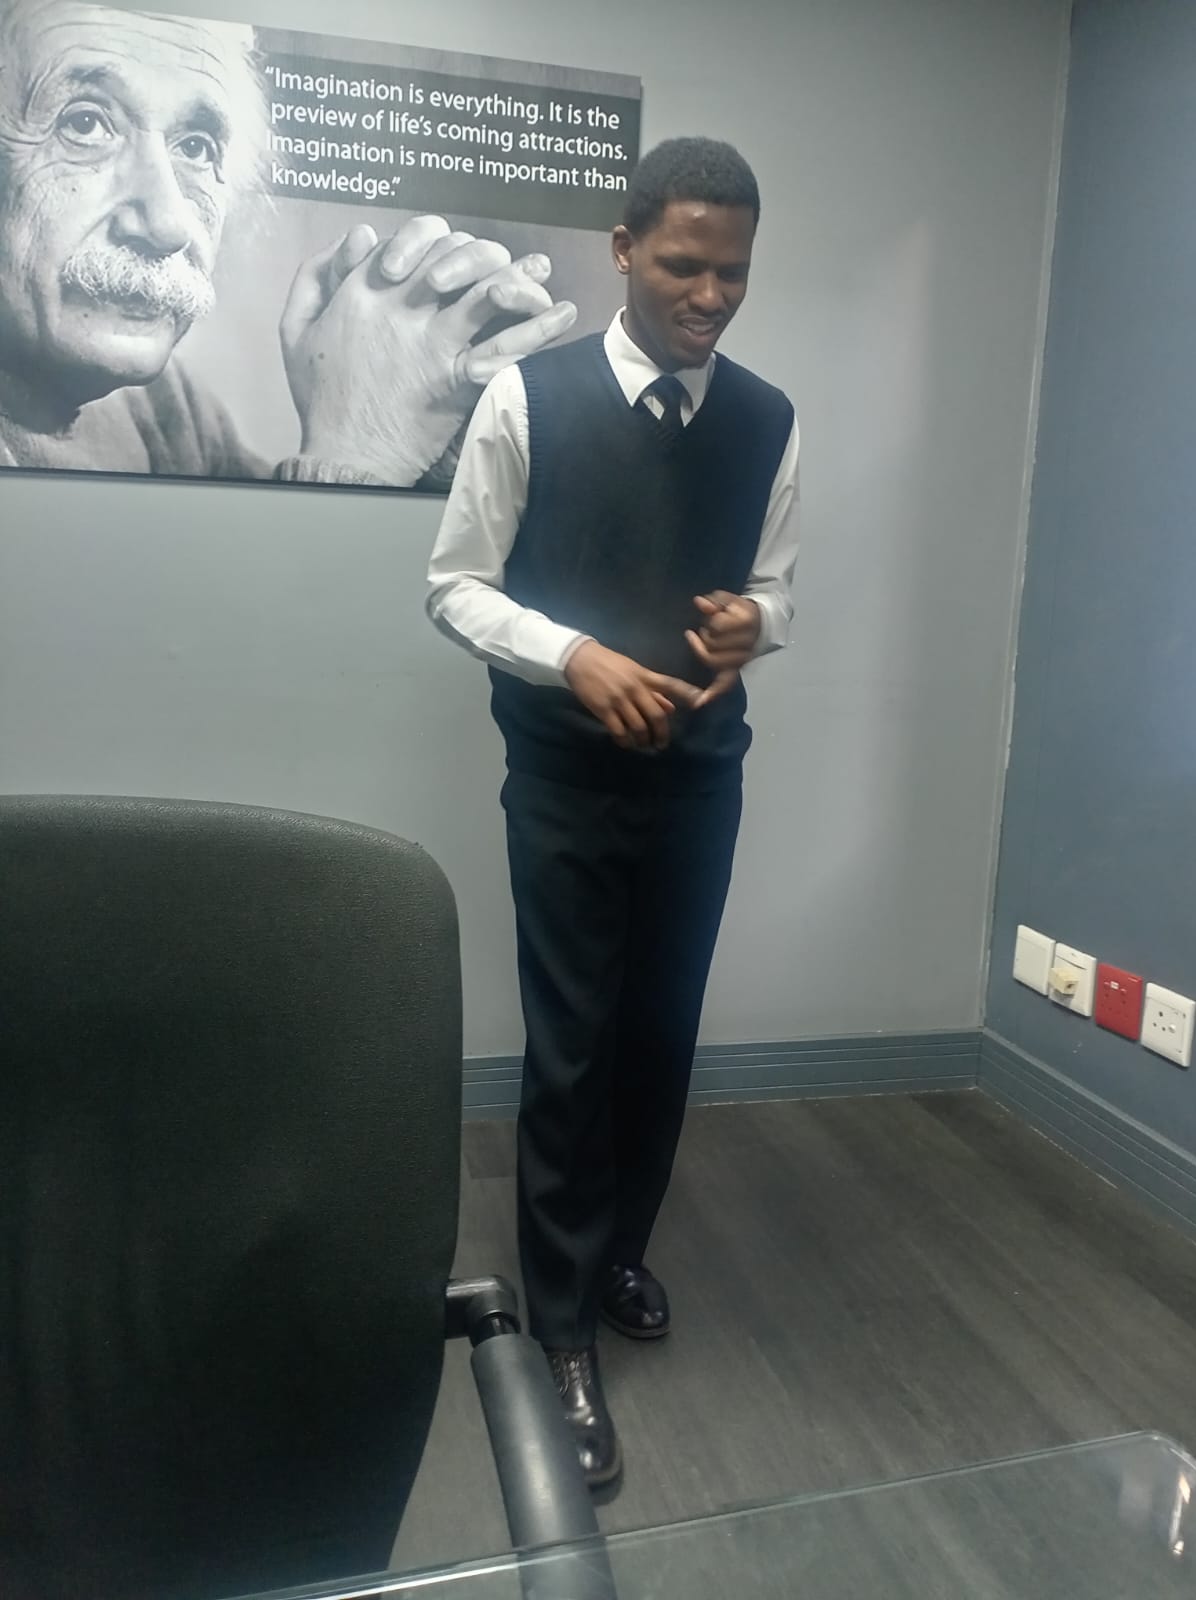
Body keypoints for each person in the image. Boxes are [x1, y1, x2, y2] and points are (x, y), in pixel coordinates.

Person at [426, 137, 799, 1486]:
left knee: (659, 1031)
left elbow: (777, 583)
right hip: (566, 781)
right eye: (685, 266)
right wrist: (573, 655)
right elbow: (455, 586)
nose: (710, 296)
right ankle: (561, 1322)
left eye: (733, 273)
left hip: (701, 777)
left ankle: (619, 1246)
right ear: (625, 249)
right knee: (573, 1042)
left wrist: (757, 623)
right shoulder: (526, 397)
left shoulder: (766, 417)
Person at [0, 0, 576, 483]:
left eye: (196, 147)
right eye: (83, 124)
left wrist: (431, 440)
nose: (169, 225)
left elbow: (251, 559)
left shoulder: (162, 407)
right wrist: (359, 453)